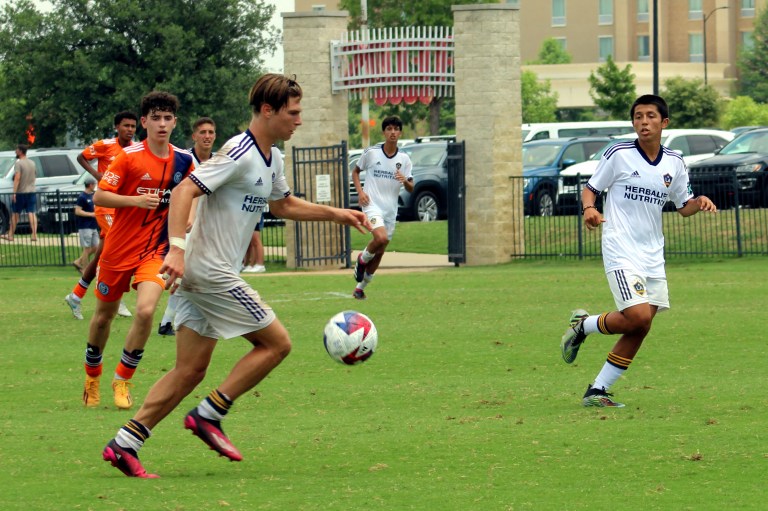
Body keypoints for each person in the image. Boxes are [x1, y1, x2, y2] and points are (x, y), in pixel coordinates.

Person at [102, 73, 371, 478]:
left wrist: (337, 213)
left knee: (189, 370)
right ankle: (210, 414)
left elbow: (282, 205)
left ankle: (125, 443)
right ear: (267, 110)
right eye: (293, 112)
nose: (298, 120)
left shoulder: (272, 157)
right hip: (210, 271)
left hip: (201, 274)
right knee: (277, 344)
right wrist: (175, 247)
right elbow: (183, 192)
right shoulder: (239, 151)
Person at [560, 94, 718, 408]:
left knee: (641, 325)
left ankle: (597, 390)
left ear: (664, 122)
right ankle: (584, 326)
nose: (643, 122)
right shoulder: (619, 153)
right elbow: (591, 189)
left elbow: (682, 206)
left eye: (650, 116)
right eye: (638, 117)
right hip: (620, 247)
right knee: (637, 316)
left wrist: (698, 203)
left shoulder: (674, 161)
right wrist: (589, 208)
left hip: (652, 253)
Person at [81, 92, 194, 410]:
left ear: (175, 122)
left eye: (167, 118)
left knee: (145, 311)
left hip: (155, 251)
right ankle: (92, 377)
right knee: (103, 318)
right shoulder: (128, 157)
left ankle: (122, 379)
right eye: (155, 118)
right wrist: (134, 200)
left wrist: (189, 220)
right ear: (144, 122)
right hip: (118, 250)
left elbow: (194, 194)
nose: (161, 124)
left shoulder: (184, 160)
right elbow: (100, 196)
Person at [64, 111, 138, 320]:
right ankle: (116, 296)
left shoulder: (135, 149)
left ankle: (76, 296)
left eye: (133, 126)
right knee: (120, 248)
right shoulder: (106, 145)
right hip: (106, 205)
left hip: (122, 206)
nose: (130, 130)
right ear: (117, 127)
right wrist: (97, 175)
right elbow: (82, 157)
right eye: (126, 126)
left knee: (101, 255)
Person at [158, 116, 217, 336]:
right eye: (202, 132)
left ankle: (168, 322)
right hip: (182, 228)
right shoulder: (183, 160)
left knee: (190, 277)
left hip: (206, 229)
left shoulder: (218, 162)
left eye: (211, 132)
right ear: (194, 136)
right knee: (179, 275)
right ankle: (169, 321)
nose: (207, 136)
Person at [351, 116, 413, 300]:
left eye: (396, 129)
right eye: (389, 129)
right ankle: (362, 259)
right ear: (384, 132)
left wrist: (405, 181)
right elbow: (355, 171)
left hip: (390, 210)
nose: (393, 132)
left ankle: (360, 288)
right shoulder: (372, 153)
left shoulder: (404, 159)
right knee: (381, 237)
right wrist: (361, 192)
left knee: (381, 248)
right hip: (372, 205)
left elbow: (411, 185)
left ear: (400, 133)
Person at [1, 144, 37, 242]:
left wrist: (14, 193)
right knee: (31, 212)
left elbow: (17, 178)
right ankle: (34, 235)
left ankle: (11, 235)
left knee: (15, 214)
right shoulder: (32, 163)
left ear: (21, 151)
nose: (15, 151)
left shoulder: (19, 163)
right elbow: (34, 176)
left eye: (16, 150)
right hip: (32, 191)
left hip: (21, 192)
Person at [73, 180, 99, 272]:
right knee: (87, 248)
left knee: (96, 246)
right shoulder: (82, 197)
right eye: (94, 184)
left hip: (93, 225)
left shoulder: (93, 195)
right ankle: (85, 269)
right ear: (90, 185)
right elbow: (78, 211)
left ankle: (78, 261)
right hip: (85, 226)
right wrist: (91, 214)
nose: (95, 186)